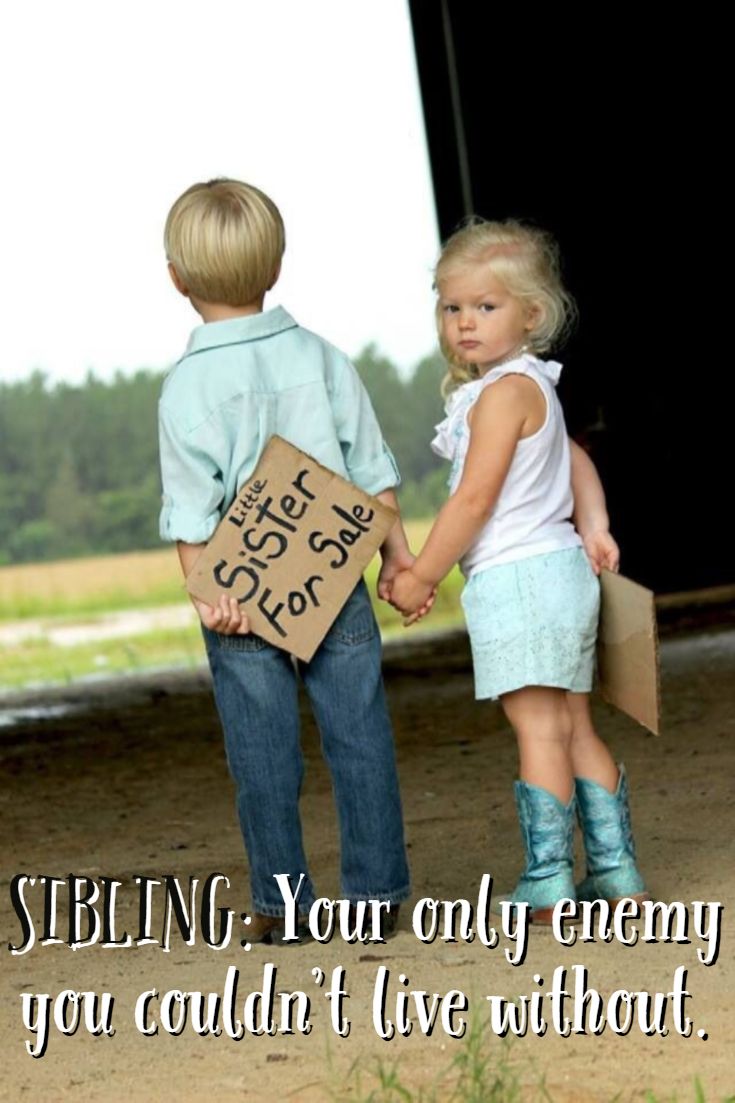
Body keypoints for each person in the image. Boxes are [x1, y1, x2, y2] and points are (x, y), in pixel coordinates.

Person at [158, 178, 411, 943]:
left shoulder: (186, 388)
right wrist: (398, 560)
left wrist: (208, 594)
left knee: (262, 751)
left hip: (242, 594)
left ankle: (282, 905)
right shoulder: (323, 357)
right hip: (334, 581)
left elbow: (190, 514)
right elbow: (374, 473)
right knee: (358, 732)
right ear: (275, 267)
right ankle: (376, 894)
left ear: (176, 277)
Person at [389, 219, 648, 923]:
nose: (465, 322)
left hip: (517, 579)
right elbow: (575, 459)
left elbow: (473, 500)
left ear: (531, 314)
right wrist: (592, 525)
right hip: (561, 571)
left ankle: (547, 878)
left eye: (486, 306)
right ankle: (616, 870)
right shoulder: (533, 387)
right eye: (452, 307)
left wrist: (421, 576)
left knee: (535, 728)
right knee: (574, 724)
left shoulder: (502, 395)